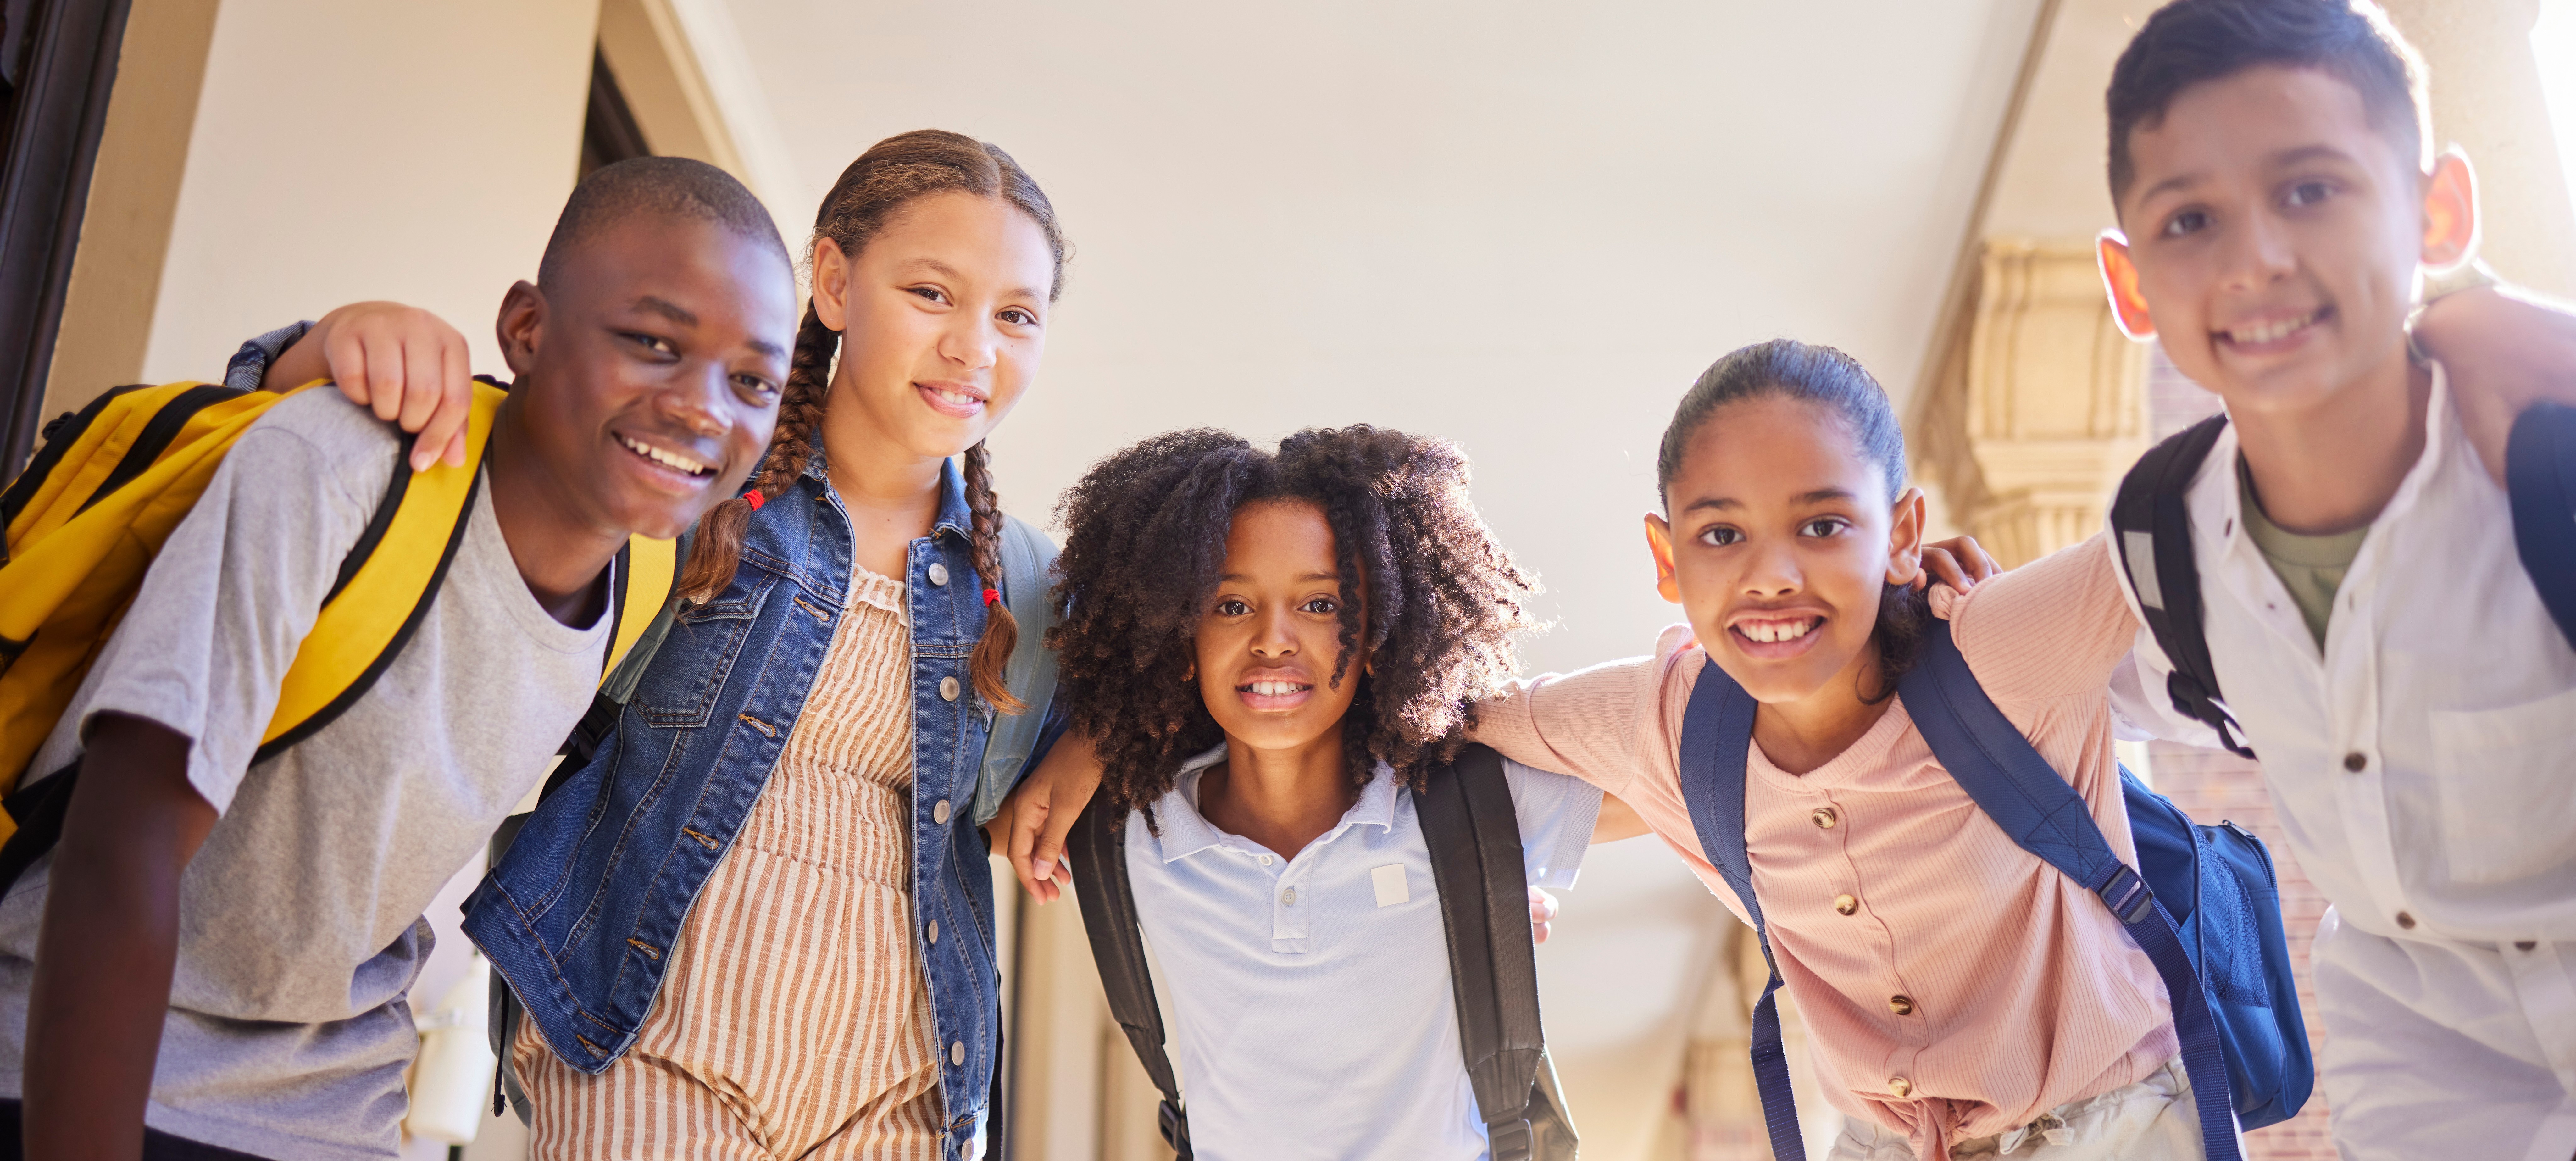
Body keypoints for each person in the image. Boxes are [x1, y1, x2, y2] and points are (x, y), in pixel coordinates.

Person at [0, 156, 797, 1161]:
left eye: (753, 381)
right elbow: (125, 844)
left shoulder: (644, 571)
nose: (703, 409)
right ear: (527, 329)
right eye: (651, 343)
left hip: (334, 1109)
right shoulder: (344, 466)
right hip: (91, 1077)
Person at [452, 129, 1074, 1161]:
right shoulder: (699, 479)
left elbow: (1168, 723)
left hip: (903, 1091)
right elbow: (491, 476)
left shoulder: (1031, 582)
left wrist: (1096, 740)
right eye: (932, 294)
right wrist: (325, 347)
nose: (976, 348)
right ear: (833, 282)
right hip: (648, 1041)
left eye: (1016, 315)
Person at [2092, 2, 2576, 1156]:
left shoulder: (2543, 463)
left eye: (2310, 190)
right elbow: (2007, 679)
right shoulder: (2162, 546)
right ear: (2131, 285)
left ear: (2437, 210)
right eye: (2191, 217)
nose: (2255, 258)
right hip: (2412, 1089)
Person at [1030, 425, 1641, 1160]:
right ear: (1177, 637)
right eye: (1230, 606)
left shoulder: (1467, 809)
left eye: (1321, 605)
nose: (1274, 639)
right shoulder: (1129, 831)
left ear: (1383, 635)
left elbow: (1687, 774)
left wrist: (1467, 706)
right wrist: (1090, 735)